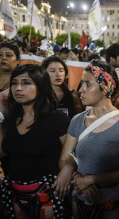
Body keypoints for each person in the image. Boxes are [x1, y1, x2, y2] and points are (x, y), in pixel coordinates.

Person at [55, 60, 119, 219]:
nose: (80, 90)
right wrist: (79, 180)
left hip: (111, 200)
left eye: (87, 84)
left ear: (105, 87)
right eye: (81, 84)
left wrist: (92, 179)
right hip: (80, 198)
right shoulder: (77, 120)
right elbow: (64, 159)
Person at [0, 64, 71, 219]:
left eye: (26, 83)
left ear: (41, 86)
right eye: (14, 83)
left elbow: (73, 153)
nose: (18, 88)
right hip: (15, 193)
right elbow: (3, 150)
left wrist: (67, 171)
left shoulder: (57, 119)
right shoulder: (11, 119)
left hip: (47, 194)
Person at [0, 41, 20, 116]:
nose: (3, 58)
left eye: (8, 55)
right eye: (0, 55)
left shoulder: (24, 82)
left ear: (17, 60)